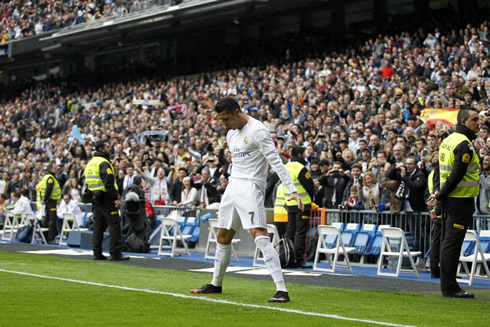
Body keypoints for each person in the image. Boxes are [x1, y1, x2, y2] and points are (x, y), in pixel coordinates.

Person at [190, 97, 304, 303]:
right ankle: (216, 284)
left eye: (225, 119)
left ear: (237, 112)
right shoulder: (231, 133)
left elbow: (276, 162)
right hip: (233, 187)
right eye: (220, 120)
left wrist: (292, 190)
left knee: (259, 235)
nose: (223, 124)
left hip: (251, 187)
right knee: (223, 236)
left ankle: (282, 290)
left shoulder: (258, 131)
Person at [427, 108, 480, 299]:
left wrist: (439, 196)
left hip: (450, 200)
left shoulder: (447, 140)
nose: (478, 123)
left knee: (446, 241)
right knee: (452, 243)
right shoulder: (464, 144)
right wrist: (439, 196)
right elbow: (456, 175)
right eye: (475, 119)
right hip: (460, 201)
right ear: (464, 121)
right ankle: (449, 287)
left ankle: (448, 284)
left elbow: (439, 171)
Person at [84, 140, 129, 261]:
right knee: (114, 223)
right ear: (101, 149)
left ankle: (97, 252)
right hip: (105, 197)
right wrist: (115, 198)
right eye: (108, 146)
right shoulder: (104, 163)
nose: (110, 148)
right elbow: (108, 182)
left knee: (98, 224)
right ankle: (115, 252)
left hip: (95, 196)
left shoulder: (90, 163)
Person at [283, 146, 315, 268]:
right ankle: (298, 259)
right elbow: (309, 185)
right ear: (300, 154)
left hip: (290, 203)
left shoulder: (285, 167)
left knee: (290, 231)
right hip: (302, 204)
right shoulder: (300, 168)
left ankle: (287, 257)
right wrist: (311, 199)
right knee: (300, 233)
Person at [40, 163, 62, 243]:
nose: (56, 169)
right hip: (51, 200)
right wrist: (45, 199)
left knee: (47, 218)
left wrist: (44, 199)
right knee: (52, 219)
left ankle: (44, 237)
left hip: (48, 201)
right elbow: (49, 189)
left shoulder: (45, 177)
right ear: (50, 169)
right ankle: (51, 238)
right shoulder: (50, 178)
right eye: (54, 167)